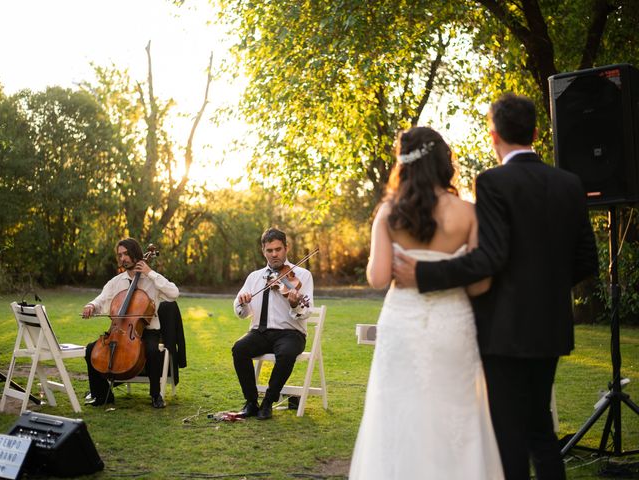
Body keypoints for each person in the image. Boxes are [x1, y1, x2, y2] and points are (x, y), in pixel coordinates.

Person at [393, 94, 599, 480]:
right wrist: (548, 287)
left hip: (502, 327)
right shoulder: (569, 183)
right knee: (541, 429)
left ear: (493, 136)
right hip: (550, 326)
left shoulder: (492, 181)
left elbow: (491, 258)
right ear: (536, 132)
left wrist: (423, 275)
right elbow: (588, 260)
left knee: (509, 435)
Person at [349, 126, 504, 480]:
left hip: (402, 323)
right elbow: (480, 285)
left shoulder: (388, 213)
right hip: (453, 322)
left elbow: (376, 278)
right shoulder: (467, 212)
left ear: (404, 165)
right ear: (442, 162)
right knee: (456, 412)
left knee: (398, 413)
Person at [82, 237, 179, 408]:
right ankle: (102, 394)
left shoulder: (152, 280)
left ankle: (156, 395)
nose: (123, 258)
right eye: (120, 255)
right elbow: (102, 299)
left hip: (148, 330)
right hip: (119, 330)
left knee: (151, 349)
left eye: (126, 254)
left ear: (136, 254)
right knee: (91, 349)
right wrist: (91, 305)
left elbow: (174, 293)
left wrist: (150, 272)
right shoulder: (117, 281)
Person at [232, 228, 314, 420]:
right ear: (263, 251)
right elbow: (242, 313)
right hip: (260, 332)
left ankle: (268, 401)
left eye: (278, 249)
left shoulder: (301, 275)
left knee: (285, 353)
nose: (274, 254)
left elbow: (306, 310)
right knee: (239, 349)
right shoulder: (254, 277)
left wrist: (295, 304)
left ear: (287, 248)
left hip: (290, 333)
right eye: (270, 250)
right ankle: (251, 402)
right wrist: (242, 302)